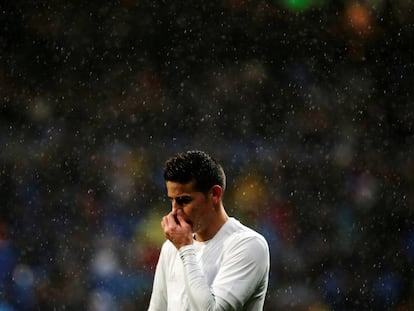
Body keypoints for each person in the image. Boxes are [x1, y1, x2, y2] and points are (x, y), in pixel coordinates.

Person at [148, 150, 270, 311]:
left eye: (184, 200)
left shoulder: (249, 245)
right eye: (172, 200)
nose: (175, 211)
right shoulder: (171, 248)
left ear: (215, 194)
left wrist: (185, 248)